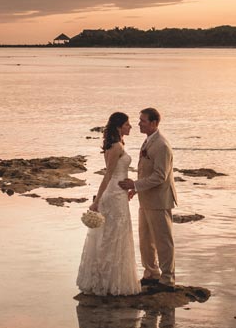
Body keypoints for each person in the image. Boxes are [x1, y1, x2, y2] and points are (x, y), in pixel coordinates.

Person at [76, 111, 139, 296]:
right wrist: (97, 200)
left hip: (119, 193)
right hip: (113, 195)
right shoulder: (117, 146)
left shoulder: (119, 145)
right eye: (127, 124)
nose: (131, 127)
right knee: (112, 236)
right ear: (120, 126)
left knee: (114, 235)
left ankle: (112, 280)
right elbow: (108, 174)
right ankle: (108, 282)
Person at [121, 106, 177, 285]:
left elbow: (161, 175)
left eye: (143, 121)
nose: (139, 124)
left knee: (163, 241)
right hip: (146, 199)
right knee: (145, 239)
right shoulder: (148, 141)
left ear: (154, 123)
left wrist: (135, 184)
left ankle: (168, 279)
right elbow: (146, 171)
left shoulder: (161, 145)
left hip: (159, 200)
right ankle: (151, 273)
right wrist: (136, 190)